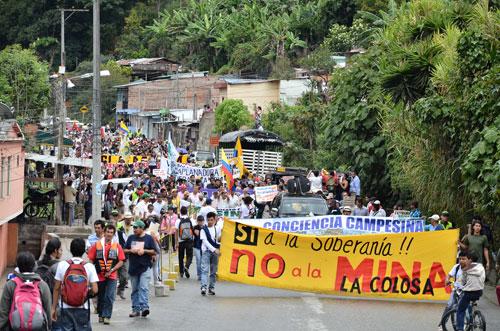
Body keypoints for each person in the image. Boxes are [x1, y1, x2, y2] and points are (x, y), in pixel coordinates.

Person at [52, 238, 99, 331]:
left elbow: (56, 288)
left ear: (70, 250)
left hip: (65, 307)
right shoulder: (89, 266)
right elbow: (95, 289)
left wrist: (53, 308)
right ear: (84, 251)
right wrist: (85, 294)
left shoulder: (62, 265)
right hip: (83, 307)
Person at [0, 252, 52, 331]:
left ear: (18, 266)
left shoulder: (10, 284)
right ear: (34, 266)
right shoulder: (42, 285)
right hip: (38, 327)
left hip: (15, 327)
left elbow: (4, 311)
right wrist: (49, 327)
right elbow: (48, 310)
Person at [87, 224, 125, 325]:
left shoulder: (117, 246)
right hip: (99, 275)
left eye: (111, 233)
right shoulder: (97, 244)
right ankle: (101, 314)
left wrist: (112, 270)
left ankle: (107, 316)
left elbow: (121, 261)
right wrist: (91, 272)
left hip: (112, 275)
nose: (109, 234)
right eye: (108, 232)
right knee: (101, 296)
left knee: (110, 296)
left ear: (113, 234)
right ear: (104, 232)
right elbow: (91, 258)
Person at [123, 220, 156, 318]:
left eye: (136, 227)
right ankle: (135, 309)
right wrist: (130, 250)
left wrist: (144, 251)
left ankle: (144, 307)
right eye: (134, 227)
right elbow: (124, 250)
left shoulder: (149, 238)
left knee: (143, 287)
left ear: (142, 228)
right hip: (133, 267)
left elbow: (154, 251)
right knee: (134, 289)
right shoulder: (131, 238)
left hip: (145, 266)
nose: (134, 229)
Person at [455, 251, 485, 331]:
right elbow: (483, 279)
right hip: (479, 292)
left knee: (460, 310)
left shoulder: (465, 269)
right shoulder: (481, 267)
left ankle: (460, 329)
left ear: (470, 260)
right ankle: (472, 321)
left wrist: (458, 286)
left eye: (466, 259)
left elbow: (461, 282)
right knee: (470, 306)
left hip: (469, 293)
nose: (465, 261)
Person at [439, 251, 466, 330]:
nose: (461, 260)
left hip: (467, 291)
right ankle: (442, 324)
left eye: (463, 259)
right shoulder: (456, 267)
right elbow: (449, 275)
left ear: (468, 259)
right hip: (456, 290)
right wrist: (447, 280)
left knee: (466, 308)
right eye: (460, 259)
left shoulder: (471, 269)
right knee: (449, 306)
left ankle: (468, 323)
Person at [200, 212, 221, 296]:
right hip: (206, 251)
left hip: (215, 252)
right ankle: (203, 287)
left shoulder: (217, 228)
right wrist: (214, 249)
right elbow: (205, 242)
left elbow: (218, 240)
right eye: (208, 220)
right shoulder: (203, 230)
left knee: (213, 271)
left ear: (215, 219)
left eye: (211, 220)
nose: (210, 222)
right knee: (205, 270)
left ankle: (211, 288)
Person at [175, 206, 194, 278]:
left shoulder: (178, 221)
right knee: (190, 255)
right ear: (187, 212)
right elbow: (193, 229)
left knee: (181, 257)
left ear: (180, 212)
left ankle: (181, 272)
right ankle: (187, 266)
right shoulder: (191, 220)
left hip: (181, 241)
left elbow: (176, 232)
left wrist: (176, 242)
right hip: (189, 240)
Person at [193, 215, 204, 281]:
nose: (201, 222)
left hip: (204, 246)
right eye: (199, 221)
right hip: (197, 246)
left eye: (202, 221)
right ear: (197, 221)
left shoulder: (205, 227)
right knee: (198, 261)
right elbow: (198, 234)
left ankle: (203, 274)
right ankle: (199, 275)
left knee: (203, 261)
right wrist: (202, 229)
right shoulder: (195, 227)